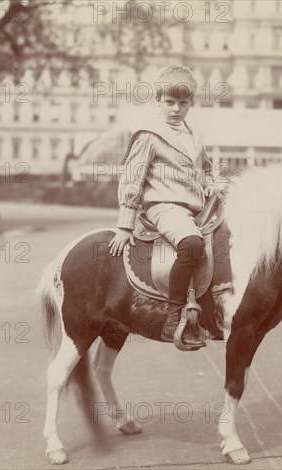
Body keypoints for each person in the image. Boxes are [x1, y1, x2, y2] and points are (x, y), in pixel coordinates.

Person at [108, 65, 216, 350]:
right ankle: (173, 318)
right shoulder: (149, 134)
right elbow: (132, 178)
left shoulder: (195, 135)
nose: (175, 110)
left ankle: (219, 307)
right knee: (192, 244)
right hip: (164, 205)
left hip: (195, 207)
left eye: (182, 103)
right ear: (158, 101)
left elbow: (205, 168)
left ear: (190, 104)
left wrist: (208, 183)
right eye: (169, 102)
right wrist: (124, 224)